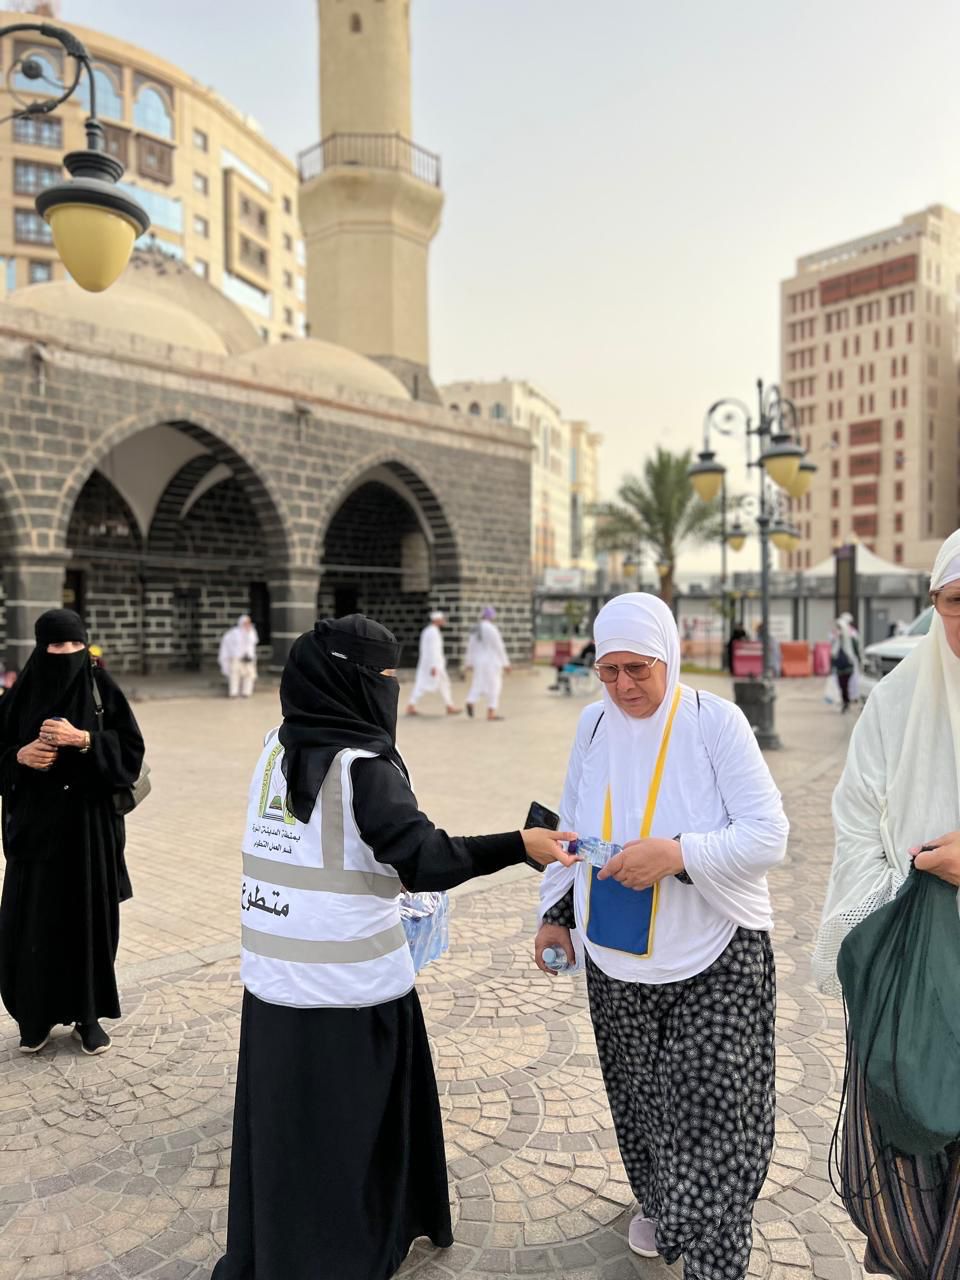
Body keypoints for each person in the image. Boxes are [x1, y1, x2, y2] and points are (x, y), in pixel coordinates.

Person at [211, 614, 577, 1280]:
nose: (391, 691)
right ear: (354, 683)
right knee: (351, 1140)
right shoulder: (362, 766)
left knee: (289, 1135)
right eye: (383, 678)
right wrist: (517, 846)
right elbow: (422, 858)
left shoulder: (275, 746)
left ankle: (278, 1249)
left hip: (273, 985)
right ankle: (344, 1254)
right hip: (348, 994)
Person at [536, 592, 789, 1276]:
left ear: (668, 658)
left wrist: (677, 854)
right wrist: (554, 915)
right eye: (608, 670)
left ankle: (714, 1256)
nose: (623, 687)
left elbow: (769, 835)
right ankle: (665, 1206)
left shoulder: (714, 724)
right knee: (642, 1103)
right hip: (614, 959)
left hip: (715, 955)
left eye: (638, 669)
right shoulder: (593, 727)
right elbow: (568, 823)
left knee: (714, 1119)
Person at [813, 529, 960, 1279]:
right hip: (905, 968)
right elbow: (854, 824)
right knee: (902, 1191)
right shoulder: (898, 703)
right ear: (936, 604)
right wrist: (915, 885)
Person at [0, 609, 144, 1055]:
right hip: (36, 835)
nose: (65, 653)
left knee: (88, 920)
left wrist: (84, 740)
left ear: (86, 645)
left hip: (89, 832)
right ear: (41, 648)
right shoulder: (18, 696)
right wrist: (19, 758)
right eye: (56, 645)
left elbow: (132, 752)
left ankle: (88, 1016)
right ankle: (36, 1017)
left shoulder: (102, 688)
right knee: (32, 923)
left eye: (74, 645)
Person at [405, 611, 461, 716]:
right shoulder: (432, 632)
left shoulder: (429, 631)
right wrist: (434, 666)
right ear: (437, 620)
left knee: (443, 684)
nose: (444, 621)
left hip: (432, 663)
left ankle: (449, 705)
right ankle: (411, 705)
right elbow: (433, 650)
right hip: (433, 664)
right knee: (422, 684)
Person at [464, 606, 511, 720]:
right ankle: (491, 713)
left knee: (478, 683)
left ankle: (471, 701)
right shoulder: (492, 629)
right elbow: (499, 646)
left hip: (478, 661)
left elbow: (470, 647)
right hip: (492, 662)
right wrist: (506, 663)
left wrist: (468, 662)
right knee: (495, 686)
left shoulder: (475, 629)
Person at [219, 614, 259, 699]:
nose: (247, 624)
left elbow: (253, 643)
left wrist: (248, 632)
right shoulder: (234, 632)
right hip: (237, 657)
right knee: (234, 675)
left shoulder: (252, 632)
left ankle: (246, 692)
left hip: (248, 658)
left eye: (248, 622)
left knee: (249, 675)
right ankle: (233, 692)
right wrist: (230, 654)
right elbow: (227, 643)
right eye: (245, 622)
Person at [831, 614, 861, 713]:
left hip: (849, 665)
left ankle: (848, 701)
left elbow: (856, 651)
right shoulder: (836, 639)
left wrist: (859, 660)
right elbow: (833, 653)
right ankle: (846, 701)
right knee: (841, 685)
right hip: (840, 666)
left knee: (848, 684)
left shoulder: (851, 637)